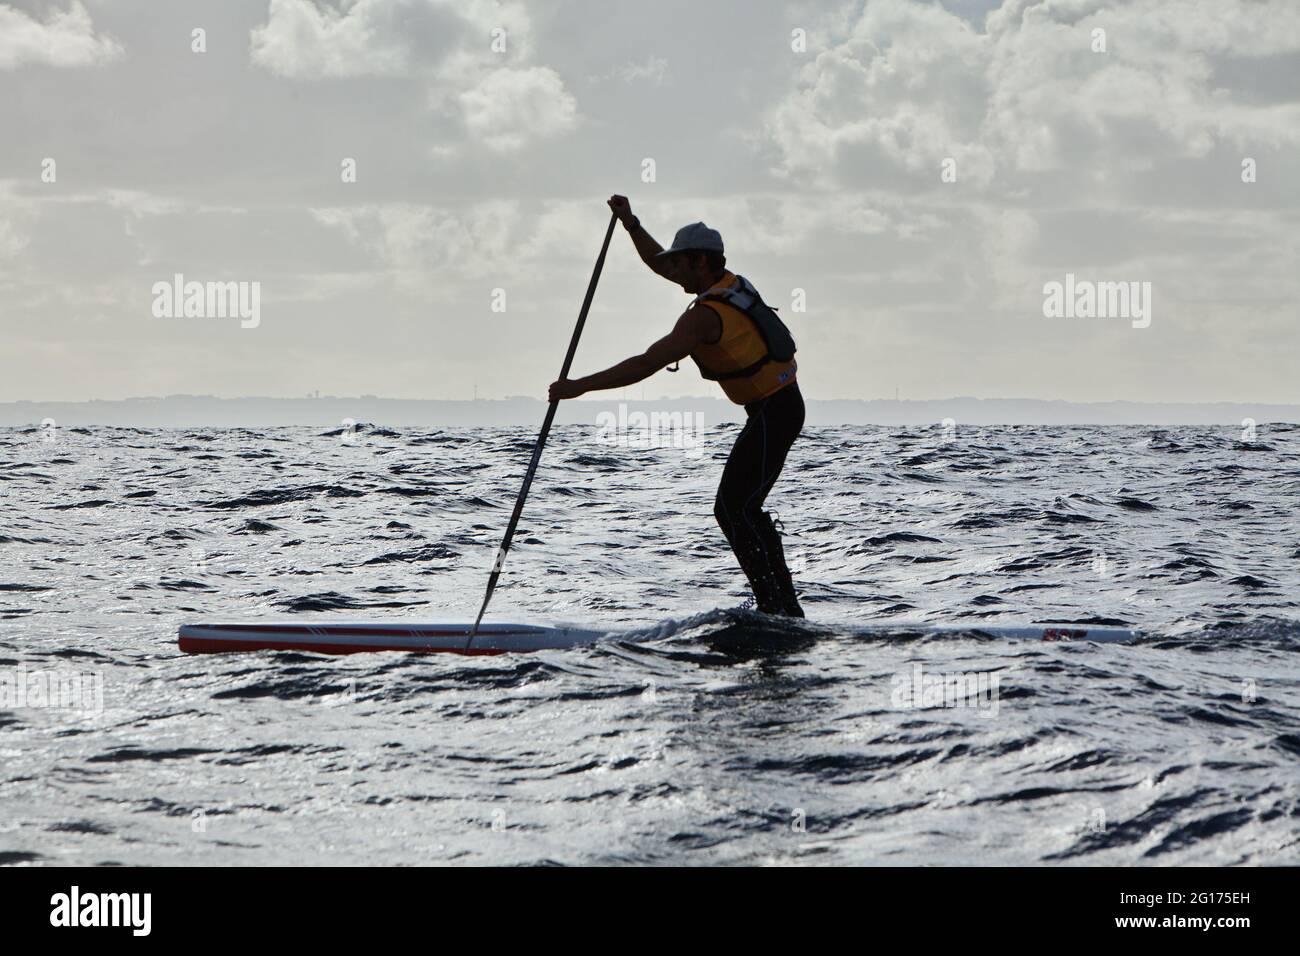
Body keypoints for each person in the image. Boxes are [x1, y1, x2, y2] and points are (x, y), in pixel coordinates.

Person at [549, 196, 805, 617]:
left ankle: (778, 607)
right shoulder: (725, 282)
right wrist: (631, 224)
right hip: (773, 411)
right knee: (741, 508)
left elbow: (648, 362)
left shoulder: (705, 316)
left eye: (680, 263)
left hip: (776, 413)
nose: (672, 271)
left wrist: (580, 387)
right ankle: (780, 604)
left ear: (700, 261)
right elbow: (658, 262)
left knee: (732, 509)